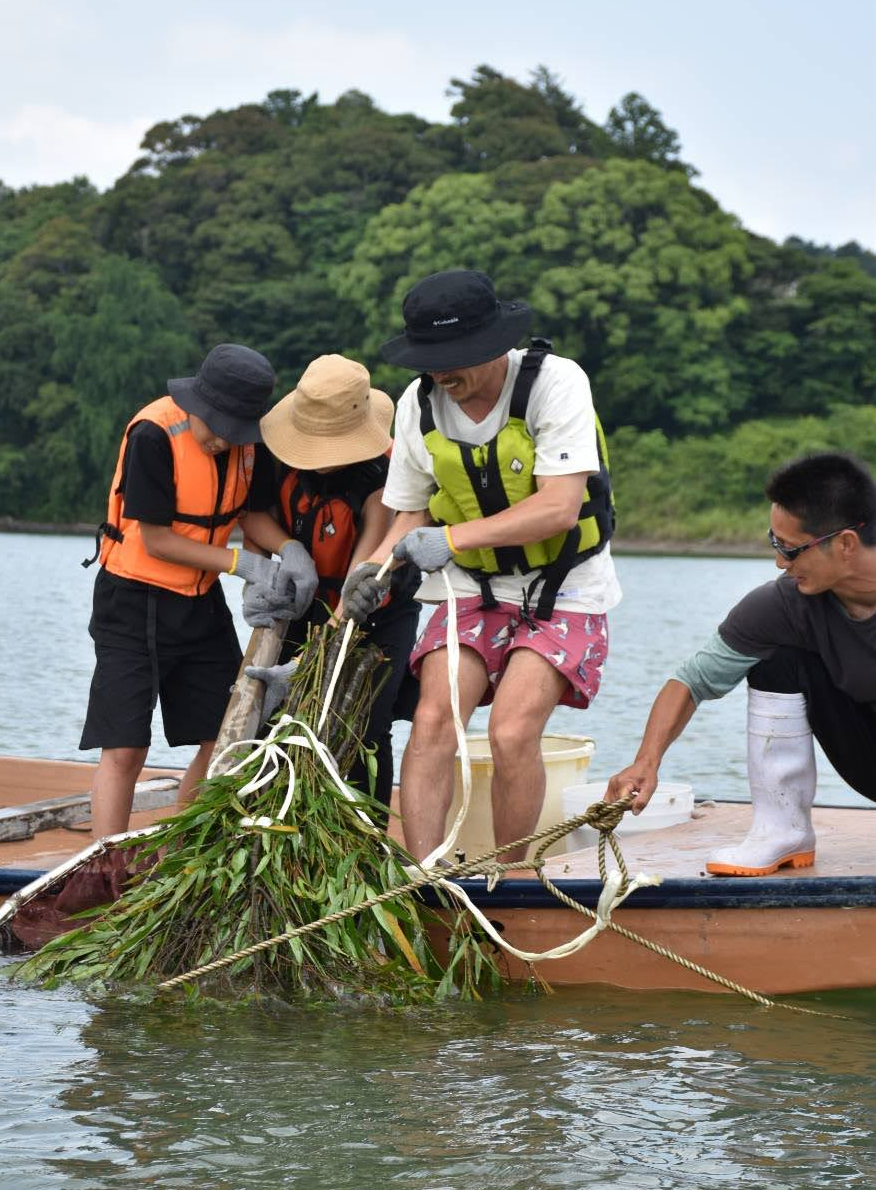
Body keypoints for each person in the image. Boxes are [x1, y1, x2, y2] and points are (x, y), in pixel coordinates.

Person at [341, 267, 621, 867]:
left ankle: (510, 878)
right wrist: (371, 573)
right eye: (430, 361)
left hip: (563, 586)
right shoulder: (418, 404)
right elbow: (409, 516)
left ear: (495, 344)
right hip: (471, 584)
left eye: (453, 359)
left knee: (512, 731)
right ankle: (425, 876)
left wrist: (452, 538)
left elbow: (559, 506)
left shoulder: (556, 383)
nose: (441, 375)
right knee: (432, 720)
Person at [79, 343, 317, 838]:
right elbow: (157, 539)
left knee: (225, 733)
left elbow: (251, 514)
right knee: (125, 747)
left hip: (200, 604)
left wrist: (288, 547)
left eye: (237, 431)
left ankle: (181, 852)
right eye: (217, 427)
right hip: (131, 601)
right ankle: (105, 863)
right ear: (197, 403)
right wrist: (243, 564)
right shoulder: (153, 434)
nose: (223, 441)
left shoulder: (248, 444)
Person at [606, 451, 876, 874]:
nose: (780, 563)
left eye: (790, 550)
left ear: (845, 544)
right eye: (774, 544)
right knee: (776, 659)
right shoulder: (785, 604)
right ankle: (782, 832)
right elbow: (691, 681)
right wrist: (646, 762)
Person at [243, 354, 421, 804]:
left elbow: (365, 569)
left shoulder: (384, 473)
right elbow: (254, 516)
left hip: (373, 609)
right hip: (301, 604)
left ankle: (366, 833)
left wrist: (313, 659)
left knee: (366, 729)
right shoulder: (273, 452)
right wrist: (284, 551)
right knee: (276, 720)